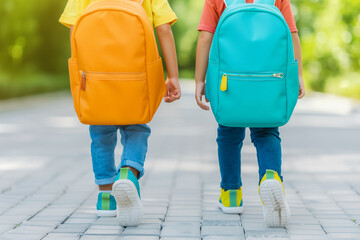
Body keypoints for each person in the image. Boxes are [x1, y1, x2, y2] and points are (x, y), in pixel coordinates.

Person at [59, 0, 181, 226]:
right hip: (136, 76)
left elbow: (75, 29)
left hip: (96, 76)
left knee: (100, 132)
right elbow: (163, 28)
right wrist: (172, 75)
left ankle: (105, 196)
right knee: (137, 128)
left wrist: (80, 74)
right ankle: (128, 172)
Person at [195, 0, 305, 227]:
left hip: (231, 84)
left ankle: (231, 193)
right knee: (267, 131)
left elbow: (206, 36)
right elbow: (292, 35)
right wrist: (298, 75)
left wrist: (199, 79)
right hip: (268, 82)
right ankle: (271, 176)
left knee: (228, 133)